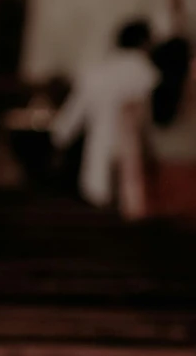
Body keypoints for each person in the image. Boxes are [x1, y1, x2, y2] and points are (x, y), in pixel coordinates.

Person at [52, 18, 160, 215]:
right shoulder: (150, 74)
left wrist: (58, 144)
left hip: (97, 164)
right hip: (140, 166)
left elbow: (66, 125)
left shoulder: (96, 74)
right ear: (146, 42)